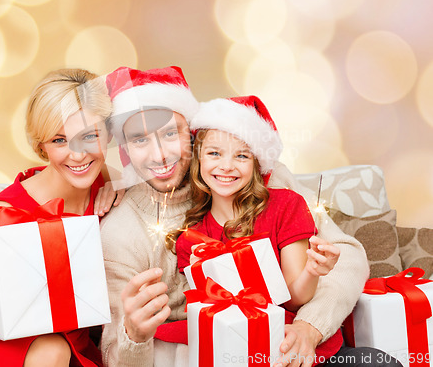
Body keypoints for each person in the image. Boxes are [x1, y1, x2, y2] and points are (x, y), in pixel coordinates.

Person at [99, 66, 398, 367]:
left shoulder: (260, 179)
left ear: (191, 134)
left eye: (169, 133)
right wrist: (134, 336)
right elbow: (113, 354)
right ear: (125, 148)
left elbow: (347, 256)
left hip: (294, 345)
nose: (160, 154)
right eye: (139, 140)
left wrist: (311, 327)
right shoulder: (120, 232)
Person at [0, 68, 117, 367]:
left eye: (89, 136)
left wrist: (121, 191)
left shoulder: (104, 179)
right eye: (59, 140)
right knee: (51, 348)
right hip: (5, 355)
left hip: (76, 351)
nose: (79, 155)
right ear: (40, 146)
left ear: (107, 133)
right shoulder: (9, 214)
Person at [171, 95, 342, 361]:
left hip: (291, 344)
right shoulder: (191, 240)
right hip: (238, 353)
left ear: (256, 164)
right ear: (198, 160)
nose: (227, 166)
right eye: (214, 153)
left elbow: (295, 297)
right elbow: (214, 321)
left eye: (241, 155)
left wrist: (312, 271)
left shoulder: (286, 206)